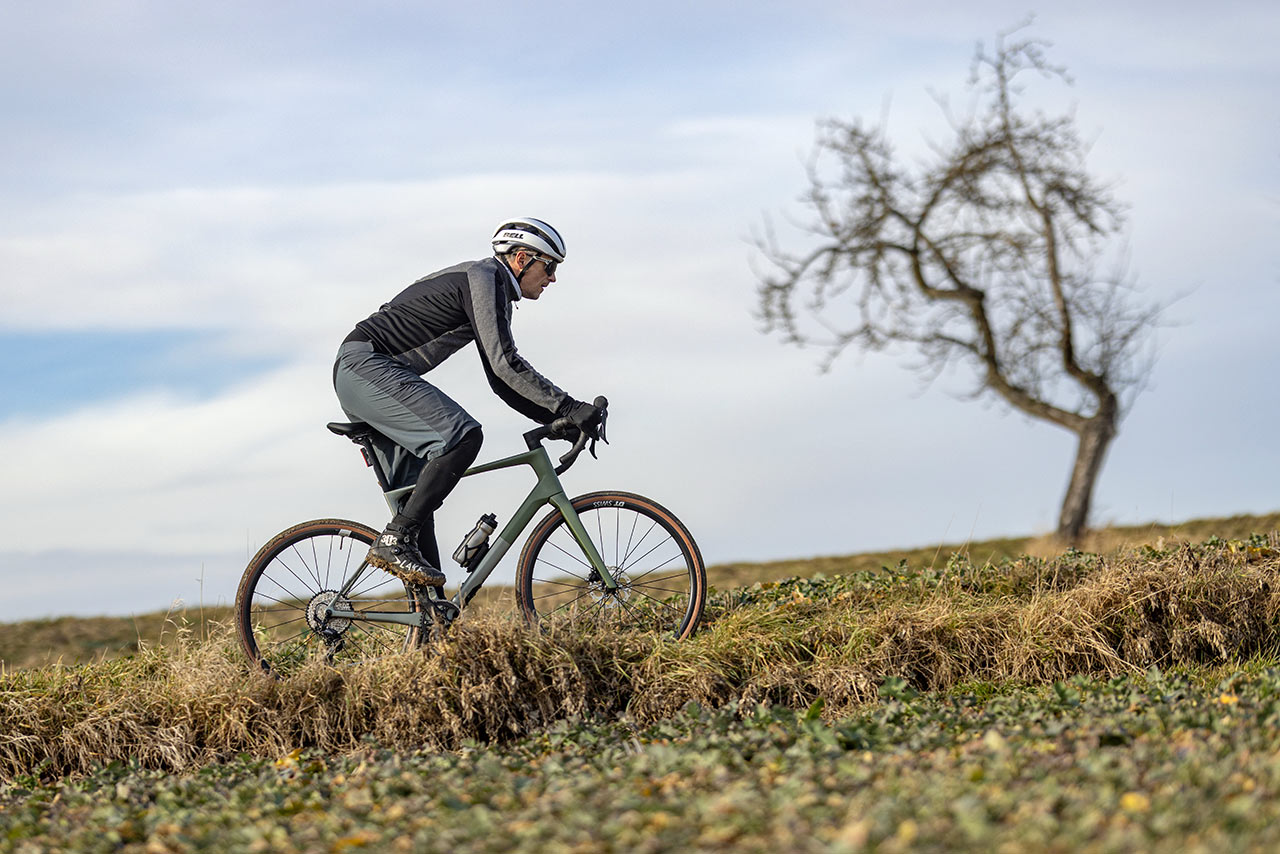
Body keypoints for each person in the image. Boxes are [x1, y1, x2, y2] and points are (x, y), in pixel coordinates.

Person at [332, 217, 603, 587]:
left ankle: (432, 615)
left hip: (366, 372)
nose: (553, 278)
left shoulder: (492, 287)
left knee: (417, 503)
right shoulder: (485, 278)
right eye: (549, 266)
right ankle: (393, 540)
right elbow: (505, 364)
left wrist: (557, 419)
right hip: (366, 366)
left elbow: (501, 382)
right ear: (521, 259)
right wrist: (568, 407)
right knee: (462, 437)